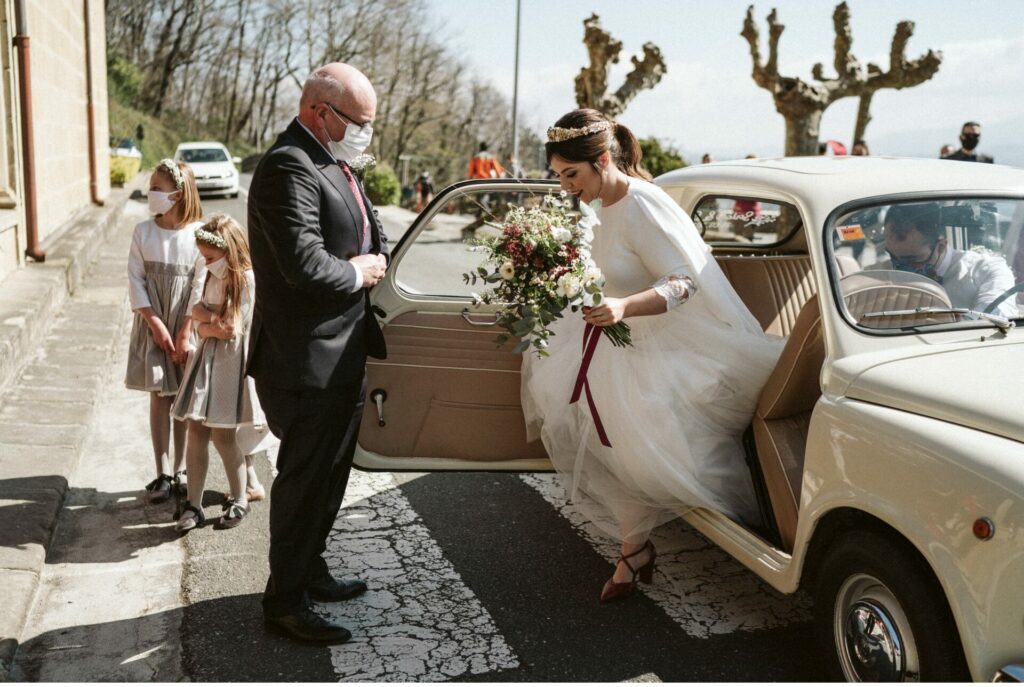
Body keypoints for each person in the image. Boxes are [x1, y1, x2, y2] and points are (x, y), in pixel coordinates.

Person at [521, 109, 785, 602]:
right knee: (619, 452)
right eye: (558, 176)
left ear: (602, 160)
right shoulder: (593, 203)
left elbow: (684, 282)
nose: (564, 187)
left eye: (570, 175)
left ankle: (774, 531)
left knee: (663, 458)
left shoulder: (644, 204)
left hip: (665, 344)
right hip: (612, 346)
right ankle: (634, 548)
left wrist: (624, 305)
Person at [246, 62, 388, 644]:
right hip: (305, 361)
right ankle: (284, 601)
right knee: (304, 482)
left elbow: (362, 232)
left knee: (330, 478)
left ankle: (309, 569)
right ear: (319, 111)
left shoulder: (333, 160)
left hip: (341, 355)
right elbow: (303, 262)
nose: (364, 134)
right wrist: (357, 272)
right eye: (358, 122)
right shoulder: (288, 165)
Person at [171, 214, 266, 531]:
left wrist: (205, 323)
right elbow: (196, 309)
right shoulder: (213, 275)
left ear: (229, 251)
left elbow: (231, 328)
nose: (206, 262)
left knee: (225, 436)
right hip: (207, 358)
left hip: (231, 363)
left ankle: (240, 498)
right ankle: (193, 505)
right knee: (196, 430)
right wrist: (206, 323)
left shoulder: (247, 280)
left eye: (210, 257)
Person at [125, 159, 206, 505]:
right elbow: (136, 280)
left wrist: (186, 330)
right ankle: (162, 472)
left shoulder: (197, 235)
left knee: (184, 399)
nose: (151, 194)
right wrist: (155, 324)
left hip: (186, 325)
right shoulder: (143, 232)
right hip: (154, 324)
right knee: (159, 396)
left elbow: (200, 286)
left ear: (177, 195)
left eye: (157, 189)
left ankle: (182, 467)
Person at [867, 202, 1017, 318]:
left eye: (912, 259)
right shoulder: (879, 274)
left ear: (941, 246)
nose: (899, 267)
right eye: (893, 256)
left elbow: (993, 317)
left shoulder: (986, 270)